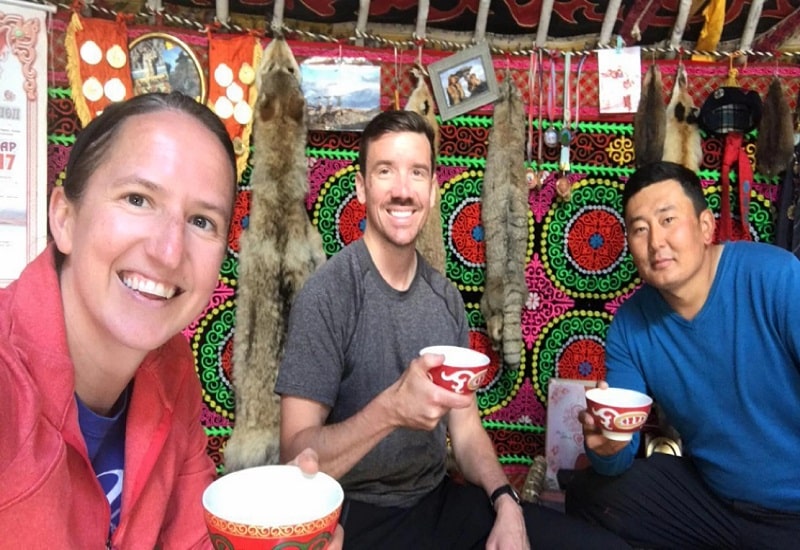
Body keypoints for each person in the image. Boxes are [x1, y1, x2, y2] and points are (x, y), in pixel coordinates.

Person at [0, 92, 342, 549]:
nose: (168, 251)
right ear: (64, 218)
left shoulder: (171, 368)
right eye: (138, 199)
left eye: (202, 222)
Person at [276, 109, 630, 549]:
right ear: (362, 188)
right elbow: (294, 457)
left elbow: (465, 431)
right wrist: (389, 411)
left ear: (434, 189)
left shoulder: (444, 299)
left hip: (435, 501)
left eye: (417, 173)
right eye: (385, 171)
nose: (403, 191)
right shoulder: (328, 295)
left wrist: (505, 502)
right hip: (354, 513)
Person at [565, 161, 800, 548]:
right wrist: (607, 448)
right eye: (640, 229)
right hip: (714, 502)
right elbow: (617, 457)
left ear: (705, 226)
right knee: (590, 495)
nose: (656, 242)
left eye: (668, 220)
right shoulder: (630, 324)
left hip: (792, 511)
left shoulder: (774, 277)